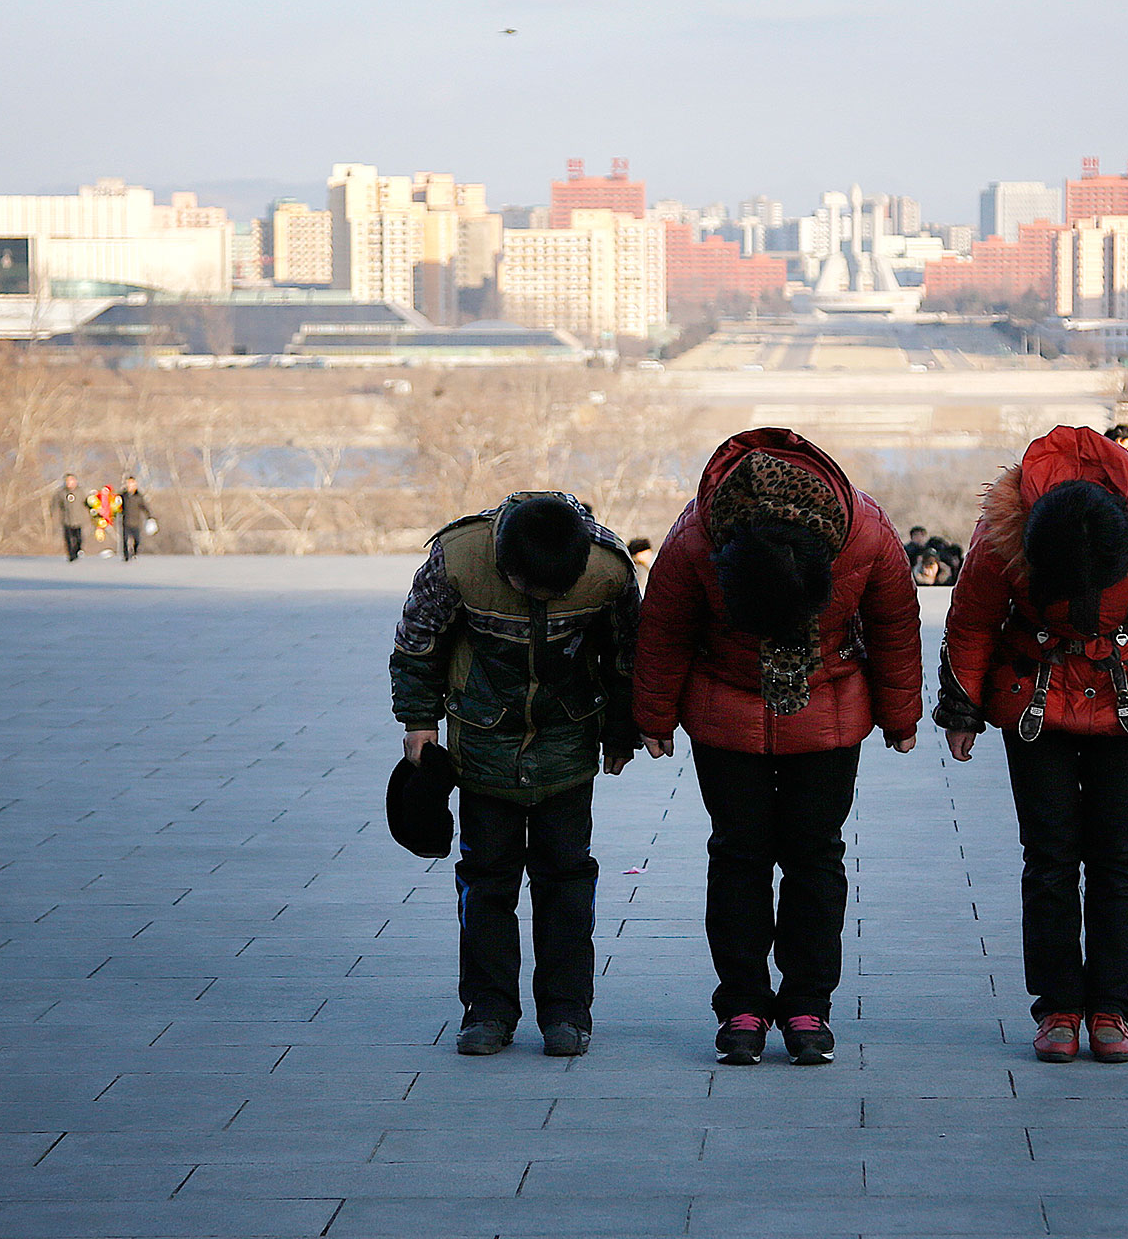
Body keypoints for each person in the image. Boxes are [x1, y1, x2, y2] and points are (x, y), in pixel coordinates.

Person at [934, 426, 1128, 1064]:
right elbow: (973, 619)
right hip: (1034, 696)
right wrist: (961, 709)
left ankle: (1111, 1009)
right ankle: (1058, 1008)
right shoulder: (1004, 533)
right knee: (1049, 858)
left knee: (1116, 858)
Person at [633, 428, 921, 1069]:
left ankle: (807, 1003)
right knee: (738, 853)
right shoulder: (697, 538)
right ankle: (741, 1002)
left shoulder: (864, 532)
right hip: (724, 709)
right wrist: (650, 715)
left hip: (829, 710)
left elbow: (894, 622)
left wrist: (902, 714)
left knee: (815, 856)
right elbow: (665, 628)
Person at [390, 489, 640, 1059]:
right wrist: (417, 722)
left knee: (567, 881)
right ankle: (489, 1011)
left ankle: (567, 1013)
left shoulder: (608, 569)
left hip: (569, 743)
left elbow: (630, 652)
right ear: (506, 566)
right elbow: (416, 644)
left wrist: (623, 730)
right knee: (486, 880)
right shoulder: (458, 559)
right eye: (534, 590)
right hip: (481, 741)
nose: (547, 599)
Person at [118, 474, 157, 561]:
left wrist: (150, 516)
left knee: (137, 540)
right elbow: (116, 506)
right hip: (126, 521)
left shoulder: (138, 496)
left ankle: (134, 553)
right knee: (125, 540)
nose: (130, 486)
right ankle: (126, 556)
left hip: (136, 522)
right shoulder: (123, 496)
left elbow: (144, 507)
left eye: (132, 484)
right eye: (128, 484)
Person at [55, 473, 87, 562]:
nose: (70, 483)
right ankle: (71, 555)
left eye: (71, 481)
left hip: (78, 519)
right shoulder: (62, 493)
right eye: (68, 481)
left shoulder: (80, 492)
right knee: (68, 538)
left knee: (78, 538)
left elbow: (86, 502)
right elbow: (57, 504)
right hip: (67, 520)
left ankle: (77, 550)